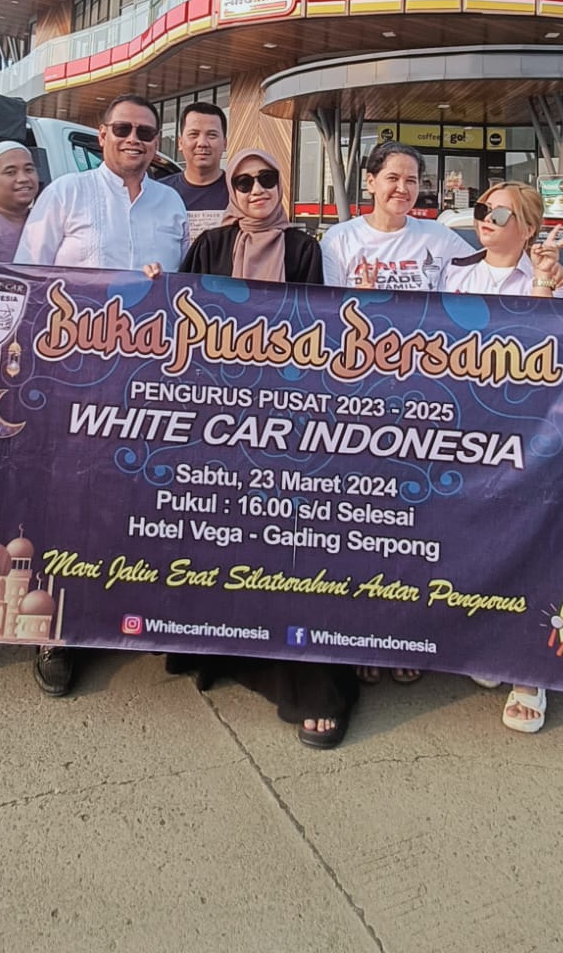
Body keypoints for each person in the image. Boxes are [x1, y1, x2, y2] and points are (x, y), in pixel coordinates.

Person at [173, 148, 357, 748]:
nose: (256, 190)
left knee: (293, 545)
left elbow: (321, 328)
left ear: (281, 185)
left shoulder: (304, 248)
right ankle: (225, 651)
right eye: (245, 181)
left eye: (267, 179)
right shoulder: (210, 246)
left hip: (287, 418)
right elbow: (179, 317)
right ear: (232, 189)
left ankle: (310, 683)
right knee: (222, 536)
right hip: (216, 416)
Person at [14, 92, 188, 696]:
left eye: (145, 131)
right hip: (72, 377)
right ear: (103, 134)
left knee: (136, 499)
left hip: (148, 379)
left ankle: (124, 616)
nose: (134, 138)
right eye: (123, 128)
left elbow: (186, 291)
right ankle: (57, 632)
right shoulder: (66, 194)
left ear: (156, 143)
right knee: (68, 500)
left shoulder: (171, 203)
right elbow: (29, 277)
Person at [320, 140, 468, 683]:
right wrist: (360, 302)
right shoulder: (340, 239)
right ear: (370, 181)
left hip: (423, 402)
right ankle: (363, 636)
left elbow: (484, 287)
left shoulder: (440, 239)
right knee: (361, 525)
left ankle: (406, 637)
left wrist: (547, 275)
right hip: (359, 403)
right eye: (392, 177)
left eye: (411, 180)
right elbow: (328, 320)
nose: (402, 188)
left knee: (416, 524)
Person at [442, 181, 563, 733]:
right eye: (482, 210)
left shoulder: (552, 281)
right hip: (463, 426)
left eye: (501, 214)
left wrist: (544, 280)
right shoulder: (454, 273)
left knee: (526, 542)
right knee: (472, 541)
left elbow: (544, 345)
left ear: (528, 227)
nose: (486, 220)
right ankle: (485, 642)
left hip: (529, 433)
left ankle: (528, 671)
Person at [162, 102, 230, 239]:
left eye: (212, 135)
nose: (202, 143)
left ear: (224, 143)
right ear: (180, 143)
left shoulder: (240, 192)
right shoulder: (160, 193)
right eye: (194, 134)